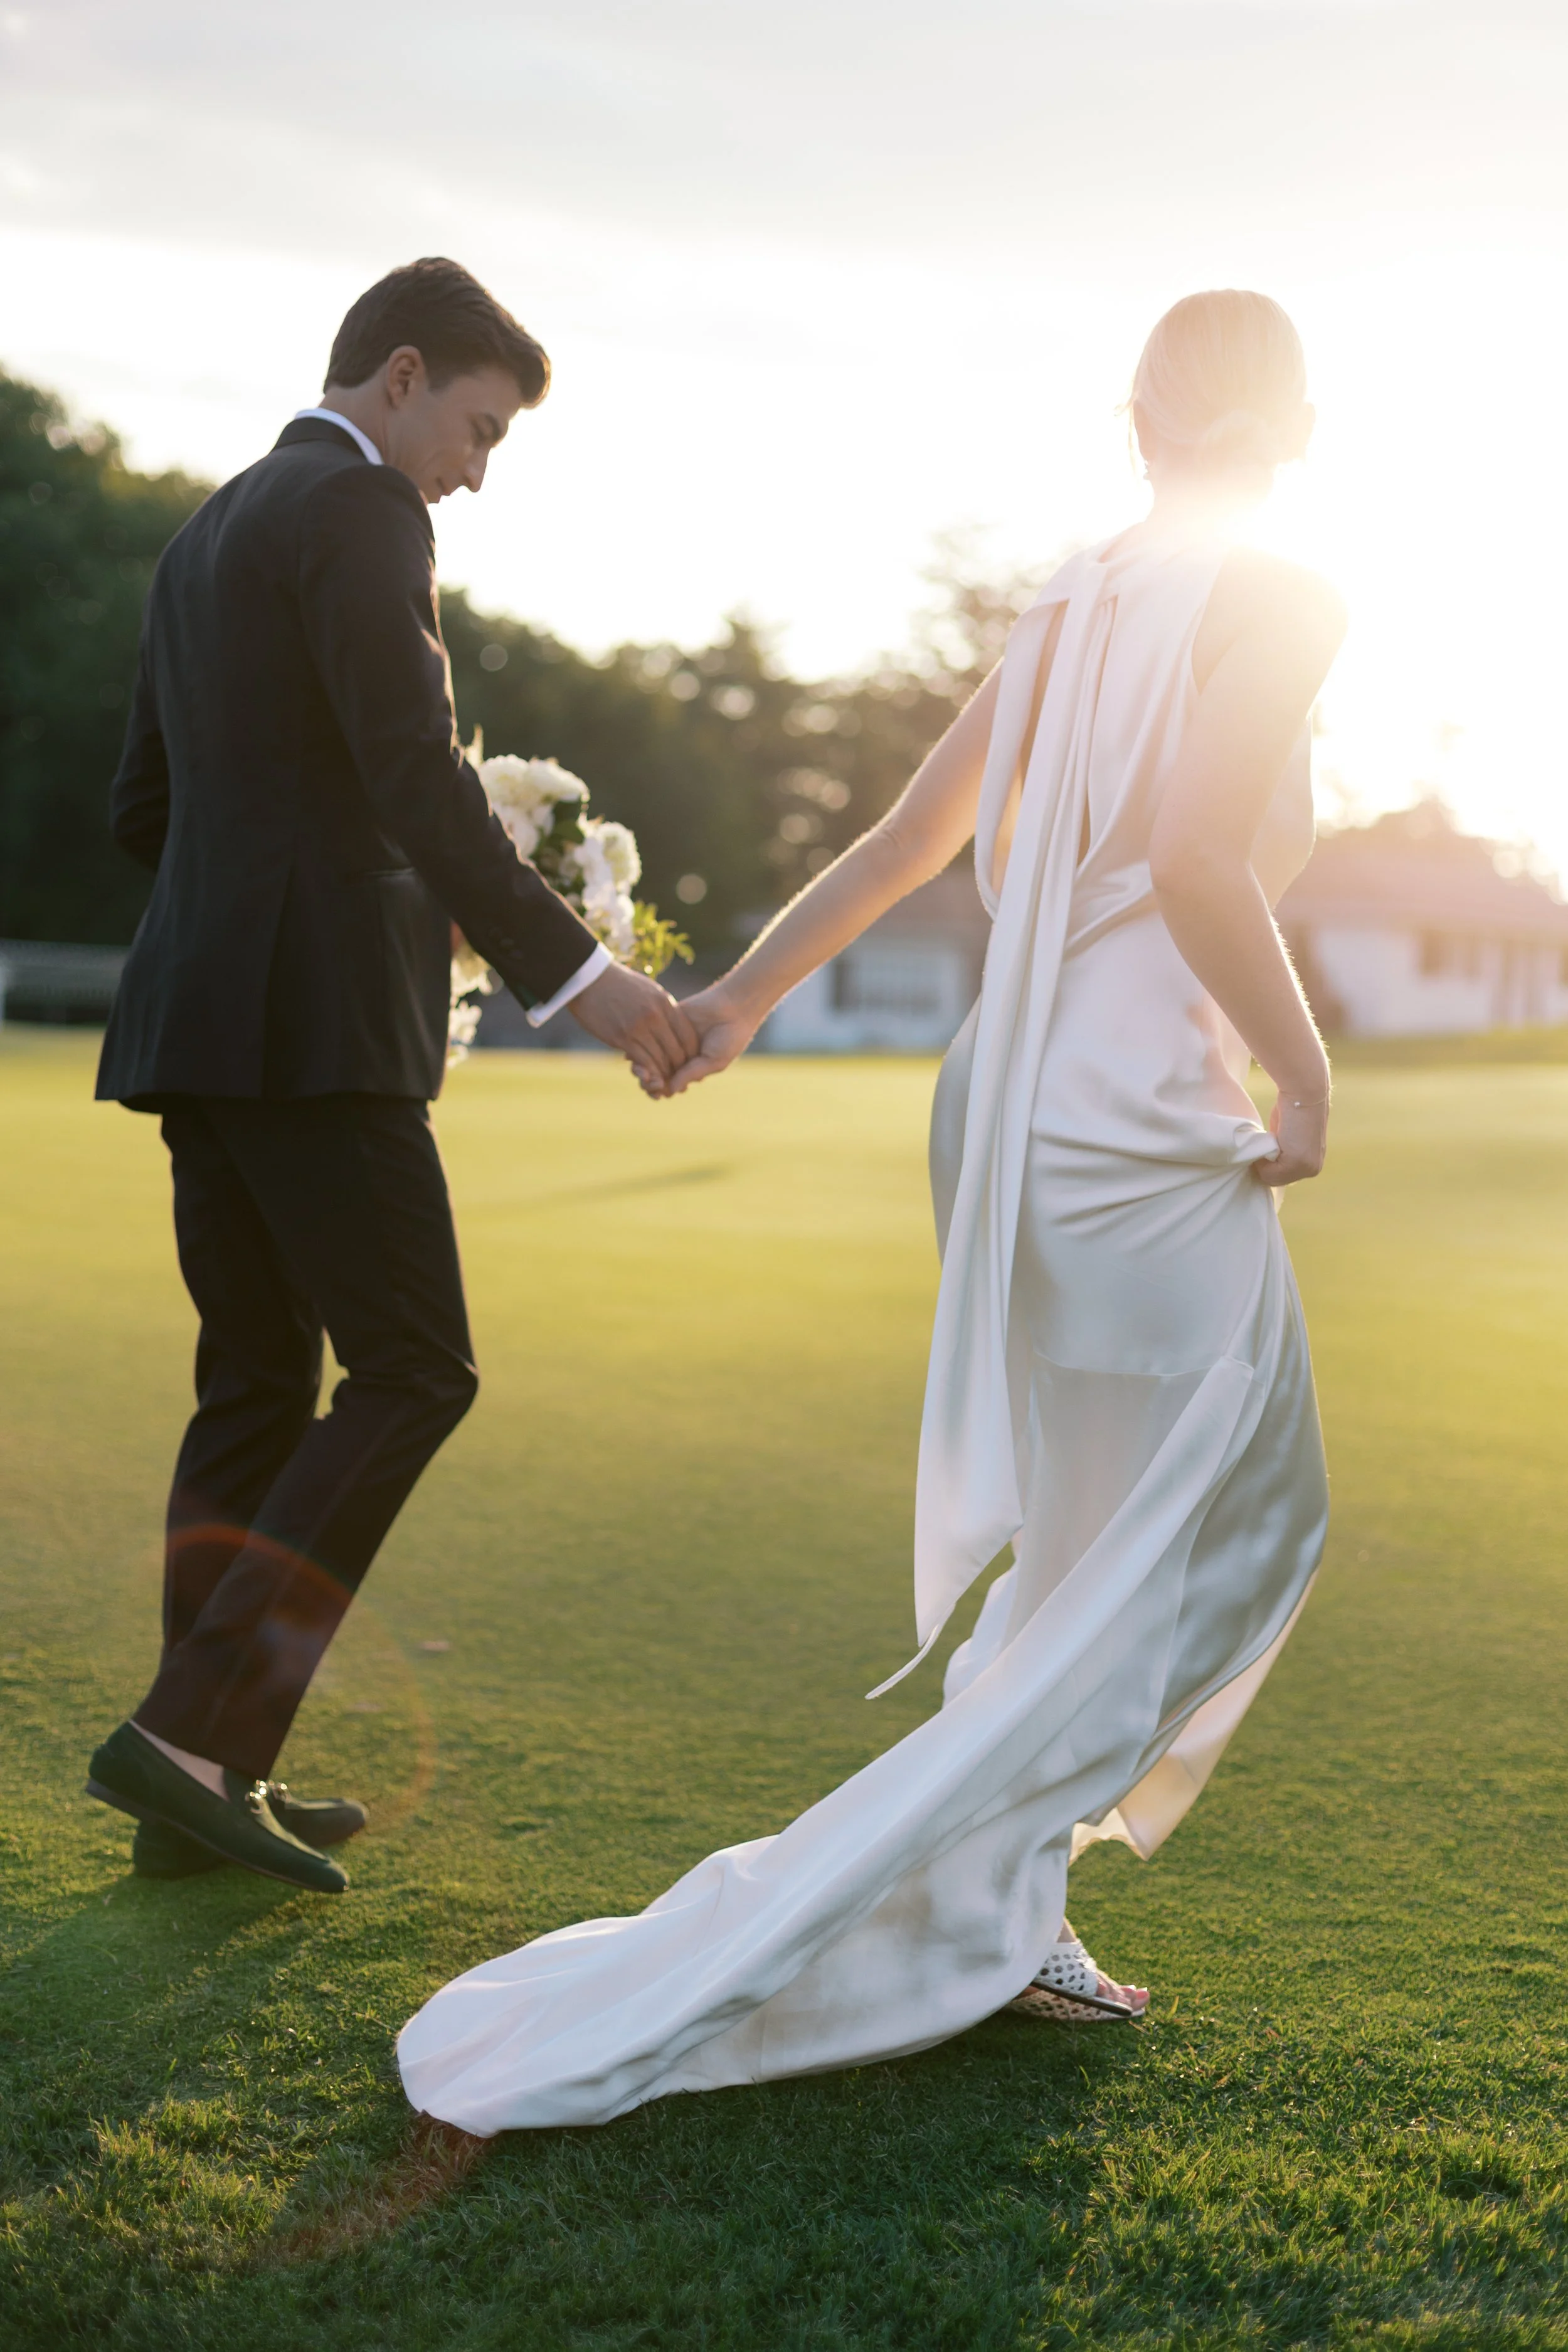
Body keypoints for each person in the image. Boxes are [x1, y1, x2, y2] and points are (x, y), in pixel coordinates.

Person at [397, 289, 1346, 2130]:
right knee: (1235, 1505)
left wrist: (739, 999)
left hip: (1008, 1094)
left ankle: (1006, 1907)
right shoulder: (1280, 594)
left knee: (1100, 1540)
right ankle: (958, 1884)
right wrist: (1302, 1073)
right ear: (1296, 424)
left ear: (1134, 415)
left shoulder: (1079, 596)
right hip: (1133, 1117)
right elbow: (1193, 855)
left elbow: (912, 838)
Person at [85, 258, 695, 1894]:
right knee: (419, 1369)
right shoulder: (363, 517)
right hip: (308, 1033)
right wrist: (581, 970)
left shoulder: (207, 528)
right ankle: (196, 1737)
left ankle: (194, 1782)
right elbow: (412, 779)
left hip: (194, 1024)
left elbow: (150, 809)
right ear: (402, 374)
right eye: (479, 430)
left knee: (255, 1389)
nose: (476, 471)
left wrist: (310, 870)